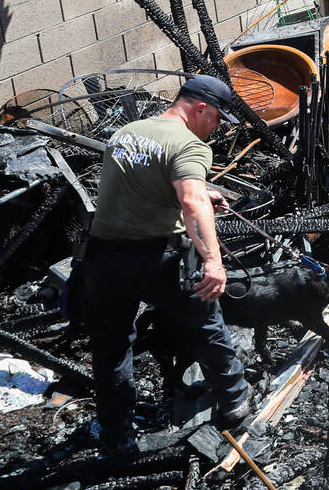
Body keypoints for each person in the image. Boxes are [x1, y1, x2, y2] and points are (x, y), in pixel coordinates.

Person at [83, 74, 251, 458]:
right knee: (208, 325)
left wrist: (201, 191)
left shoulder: (128, 132)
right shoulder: (190, 145)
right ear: (200, 108)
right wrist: (213, 260)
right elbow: (191, 202)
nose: (218, 127)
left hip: (103, 258)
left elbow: (144, 183)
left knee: (111, 348)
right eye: (218, 119)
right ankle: (236, 404)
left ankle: (118, 437)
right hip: (158, 260)